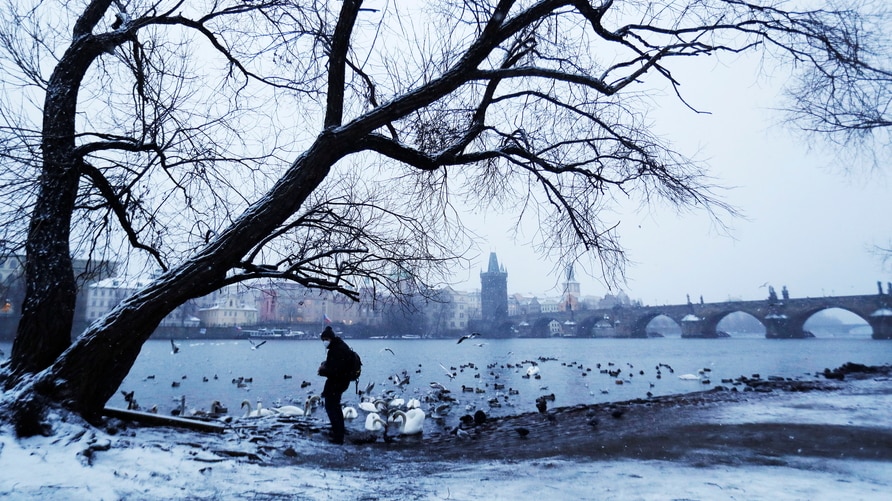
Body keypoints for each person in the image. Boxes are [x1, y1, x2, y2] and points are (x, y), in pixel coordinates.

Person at [317, 326, 352, 444]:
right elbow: (336, 366)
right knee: (335, 407)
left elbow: (337, 371)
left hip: (337, 383)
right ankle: (338, 432)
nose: (324, 342)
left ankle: (338, 436)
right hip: (340, 382)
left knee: (331, 408)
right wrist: (326, 364)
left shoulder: (336, 350)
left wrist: (322, 371)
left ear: (331, 338)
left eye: (325, 339)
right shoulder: (339, 346)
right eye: (323, 340)